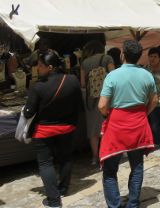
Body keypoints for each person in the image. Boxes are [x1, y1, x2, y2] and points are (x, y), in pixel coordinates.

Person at [98, 40, 158, 208]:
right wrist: (143, 113)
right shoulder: (147, 75)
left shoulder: (113, 75)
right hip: (138, 123)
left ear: (123, 54)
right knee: (137, 164)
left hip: (116, 125)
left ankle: (115, 205)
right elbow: (154, 100)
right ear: (139, 56)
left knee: (110, 169)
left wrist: (109, 115)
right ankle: (133, 203)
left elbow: (102, 105)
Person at [24, 51, 82, 208]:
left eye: (40, 66)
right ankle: (63, 189)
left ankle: (54, 201)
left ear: (50, 67)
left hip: (44, 131)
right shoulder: (72, 80)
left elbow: (28, 112)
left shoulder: (38, 87)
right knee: (66, 158)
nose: (37, 68)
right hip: (67, 128)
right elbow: (79, 106)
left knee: (45, 163)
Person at [80, 40, 115, 165]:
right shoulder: (107, 58)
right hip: (106, 98)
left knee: (93, 130)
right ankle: (107, 154)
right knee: (107, 126)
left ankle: (95, 157)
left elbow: (83, 84)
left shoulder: (84, 63)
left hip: (91, 100)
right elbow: (113, 76)